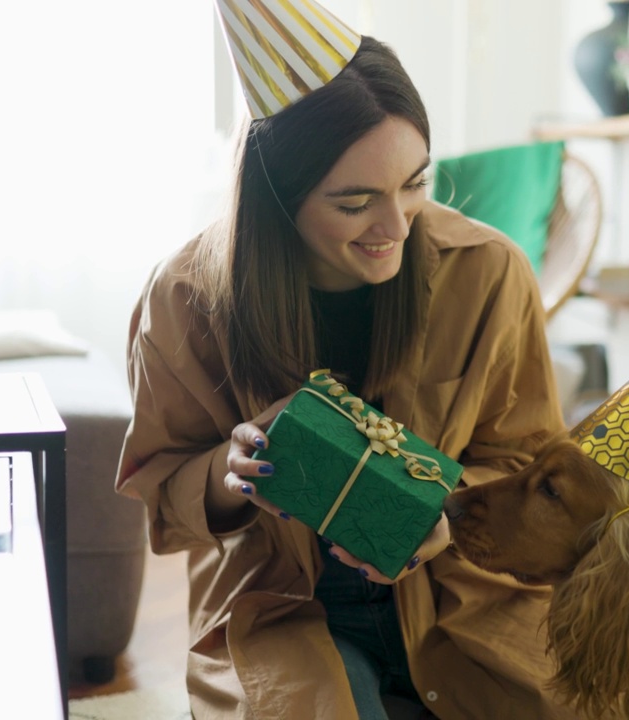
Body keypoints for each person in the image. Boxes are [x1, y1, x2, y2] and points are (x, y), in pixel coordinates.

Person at [115, 3, 575, 718]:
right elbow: (161, 494)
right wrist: (231, 474)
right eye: (356, 202)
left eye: (416, 183)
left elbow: (531, 463)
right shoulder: (183, 300)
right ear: (277, 198)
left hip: (462, 598)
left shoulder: (488, 273)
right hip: (279, 608)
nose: (395, 226)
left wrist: (444, 514)